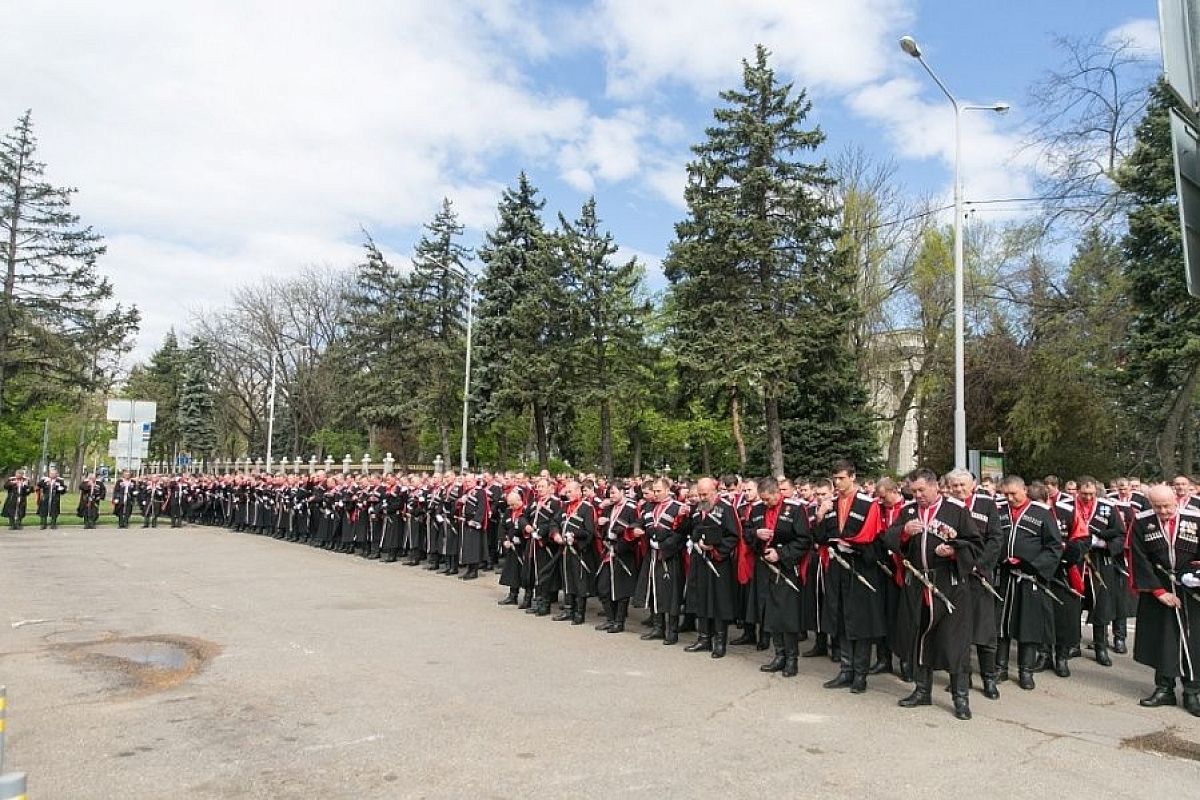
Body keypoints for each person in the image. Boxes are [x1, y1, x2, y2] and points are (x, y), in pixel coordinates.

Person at [883, 468, 983, 720]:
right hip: (917, 584)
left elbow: (975, 544)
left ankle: (960, 698)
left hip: (948, 585)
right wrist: (905, 532)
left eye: (921, 490)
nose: (917, 495)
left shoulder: (956, 511)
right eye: (913, 491)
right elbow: (890, 538)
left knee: (954, 642)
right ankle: (922, 690)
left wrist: (953, 551)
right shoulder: (907, 512)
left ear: (935, 487)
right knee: (920, 638)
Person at [814, 460, 886, 693]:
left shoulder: (869, 504)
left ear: (852, 477)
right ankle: (846, 670)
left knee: (860, 624)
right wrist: (820, 516)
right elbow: (819, 538)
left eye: (842, 478)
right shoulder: (830, 503)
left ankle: (860, 674)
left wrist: (855, 547)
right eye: (835, 478)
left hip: (860, 569)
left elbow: (876, 541)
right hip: (837, 569)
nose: (837, 483)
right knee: (841, 619)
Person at [1129, 484, 1200, 716]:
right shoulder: (1141, 521)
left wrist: (1196, 576)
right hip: (1158, 587)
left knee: (1194, 640)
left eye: (1167, 506)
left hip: (1192, 589)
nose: (1163, 511)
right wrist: (1159, 592)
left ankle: (1192, 691)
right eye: (1157, 506)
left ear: (1177, 500)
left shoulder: (1196, 518)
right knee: (1164, 639)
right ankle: (1164, 689)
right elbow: (1138, 557)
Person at [995, 476, 1062, 690]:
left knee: (1028, 625)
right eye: (1006, 494)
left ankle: (1026, 670)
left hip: (1030, 577)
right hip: (1004, 575)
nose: (1010, 498)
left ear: (1024, 490)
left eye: (1014, 493)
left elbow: (1054, 546)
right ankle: (1000, 667)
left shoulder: (1041, 512)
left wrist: (1034, 566)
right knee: (1001, 623)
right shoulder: (999, 511)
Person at [945, 469, 1004, 700]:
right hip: (955, 575)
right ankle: (962, 676)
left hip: (980, 576)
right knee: (959, 630)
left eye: (963, 485)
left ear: (974, 484)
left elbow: (996, 538)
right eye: (955, 485)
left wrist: (979, 566)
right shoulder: (946, 506)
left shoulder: (987, 504)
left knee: (984, 630)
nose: (959, 489)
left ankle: (989, 679)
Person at [753, 477, 812, 678]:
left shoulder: (794, 509)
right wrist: (756, 533)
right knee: (771, 613)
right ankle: (779, 655)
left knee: (787, 615)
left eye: (768, 499)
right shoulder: (758, 509)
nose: (765, 503)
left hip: (786, 567)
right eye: (762, 499)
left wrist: (782, 554)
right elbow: (746, 532)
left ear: (777, 493)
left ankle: (791, 659)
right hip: (765, 567)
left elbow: (804, 540)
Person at [683, 477, 741, 658]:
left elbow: (734, 535)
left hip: (718, 562)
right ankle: (703, 638)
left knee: (718, 601)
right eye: (699, 494)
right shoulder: (697, 508)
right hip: (700, 559)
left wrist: (716, 549)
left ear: (715, 491)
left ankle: (719, 641)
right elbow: (692, 529)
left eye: (705, 494)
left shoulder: (726, 508)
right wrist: (695, 540)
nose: (701, 498)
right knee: (701, 597)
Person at [632, 477, 690, 645]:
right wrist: (636, 528)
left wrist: (664, 545)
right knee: (653, 591)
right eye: (654, 491)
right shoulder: (648, 506)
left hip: (670, 556)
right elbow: (640, 522)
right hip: (652, 556)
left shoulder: (678, 508)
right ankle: (658, 628)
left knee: (671, 594)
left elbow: (682, 533)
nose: (655, 494)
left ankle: (672, 631)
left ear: (667, 490)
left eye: (658, 491)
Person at [594, 483, 641, 633]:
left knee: (621, 589)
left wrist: (623, 535)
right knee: (603, 587)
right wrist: (600, 524)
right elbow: (603, 530)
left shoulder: (631, 508)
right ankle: (610, 619)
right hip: (608, 552)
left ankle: (619, 622)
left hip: (623, 553)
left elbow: (635, 529)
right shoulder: (609, 508)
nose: (611, 496)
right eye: (610, 493)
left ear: (622, 492)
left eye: (614, 493)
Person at [552, 480, 597, 624]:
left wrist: (575, 536)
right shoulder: (565, 506)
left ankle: (579, 613)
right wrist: (556, 534)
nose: (568, 494)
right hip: (565, 549)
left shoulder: (586, 508)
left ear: (579, 491)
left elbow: (589, 532)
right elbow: (554, 522)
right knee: (567, 579)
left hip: (578, 550)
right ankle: (568, 610)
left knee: (579, 581)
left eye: (570, 491)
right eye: (567, 491)